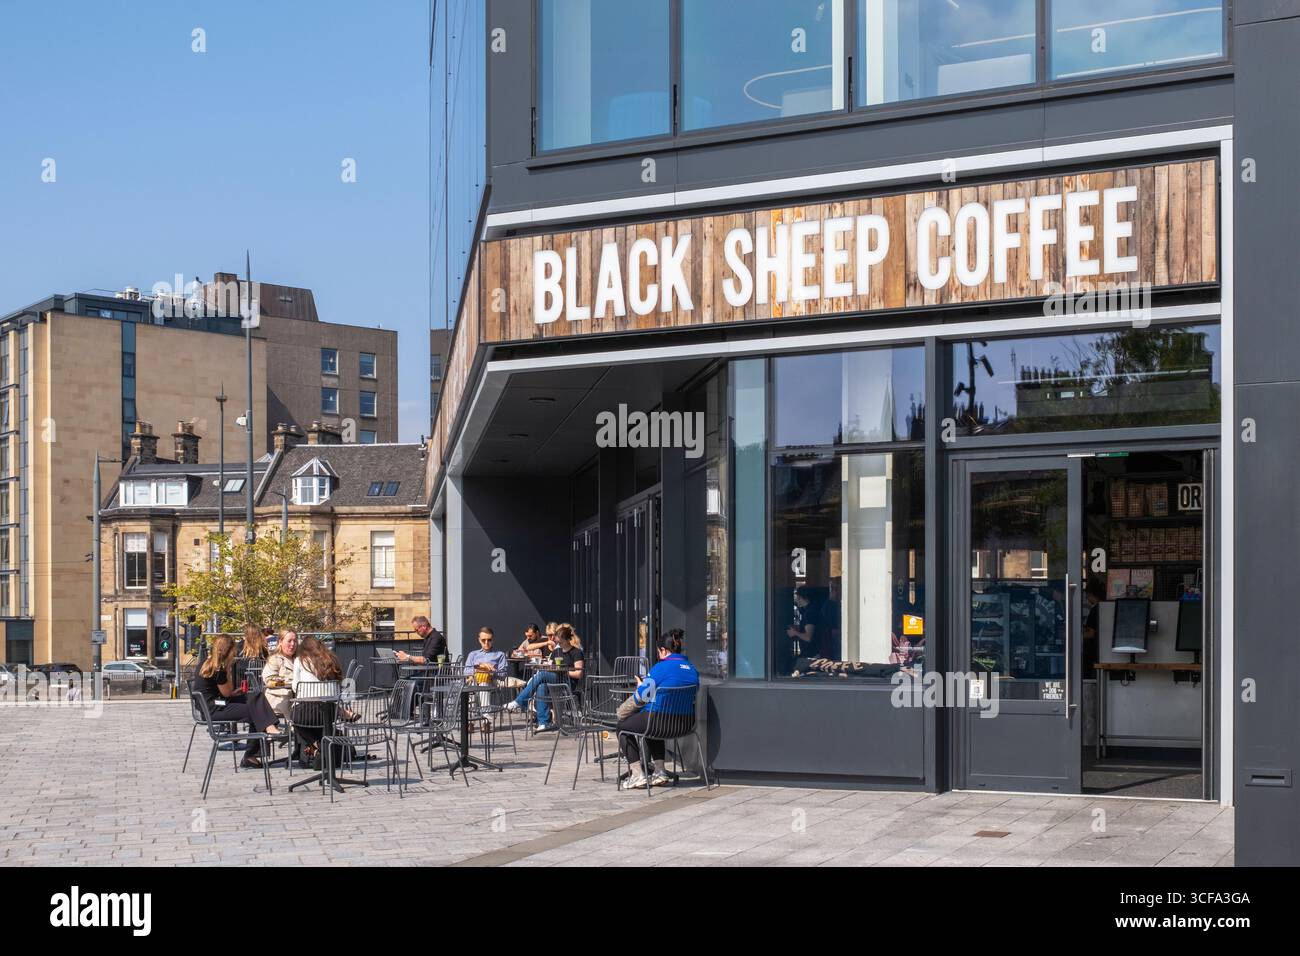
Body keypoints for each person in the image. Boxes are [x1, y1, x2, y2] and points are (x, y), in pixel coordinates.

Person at [616, 629, 699, 790]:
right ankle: (660, 771)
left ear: (663, 650)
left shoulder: (660, 668)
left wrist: (638, 689)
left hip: (658, 721)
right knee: (651, 724)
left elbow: (642, 697)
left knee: (622, 728)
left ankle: (637, 775)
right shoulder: (692, 669)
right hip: (685, 724)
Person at [193, 634, 281, 768]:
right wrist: (228, 670)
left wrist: (235, 692)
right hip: (214, 709)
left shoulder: (205, 663)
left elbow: (226, 693)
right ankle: (251, 755)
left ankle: (269, 728)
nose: (235, 653)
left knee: (256, 697)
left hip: (212, 705)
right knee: (255, 711)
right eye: (233, 651)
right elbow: (227, 692)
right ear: (228, 651)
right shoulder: (219, 669)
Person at [503, 624, 584, 731]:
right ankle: (544, 722)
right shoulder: (556, 651)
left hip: (567, 682)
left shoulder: (576, 652)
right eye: (558, 642)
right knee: (541, 685)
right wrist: (545, 665)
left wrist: (563, 671)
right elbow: (550, 665)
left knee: (542, 675)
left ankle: (519, 701)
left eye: (561, 642)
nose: (558, 644)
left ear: (568, 639)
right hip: (555, 680)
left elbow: (578, 674)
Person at [291, 635, 347, 766]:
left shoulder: (300, 660)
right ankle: (322, 748)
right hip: (331, 712)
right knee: (319, 723)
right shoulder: (332, 659)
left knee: (294, 718)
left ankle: (317, 746)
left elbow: (295, 686)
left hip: (307, 712)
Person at [261, 628, 298, 719]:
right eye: (289, 641)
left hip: (298, 698)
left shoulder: (299, 659)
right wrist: (287, 683)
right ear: (280, 642)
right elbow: (269, 682)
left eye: (295, 641)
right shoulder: (275, 659)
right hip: (281, 699)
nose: (292, 644)